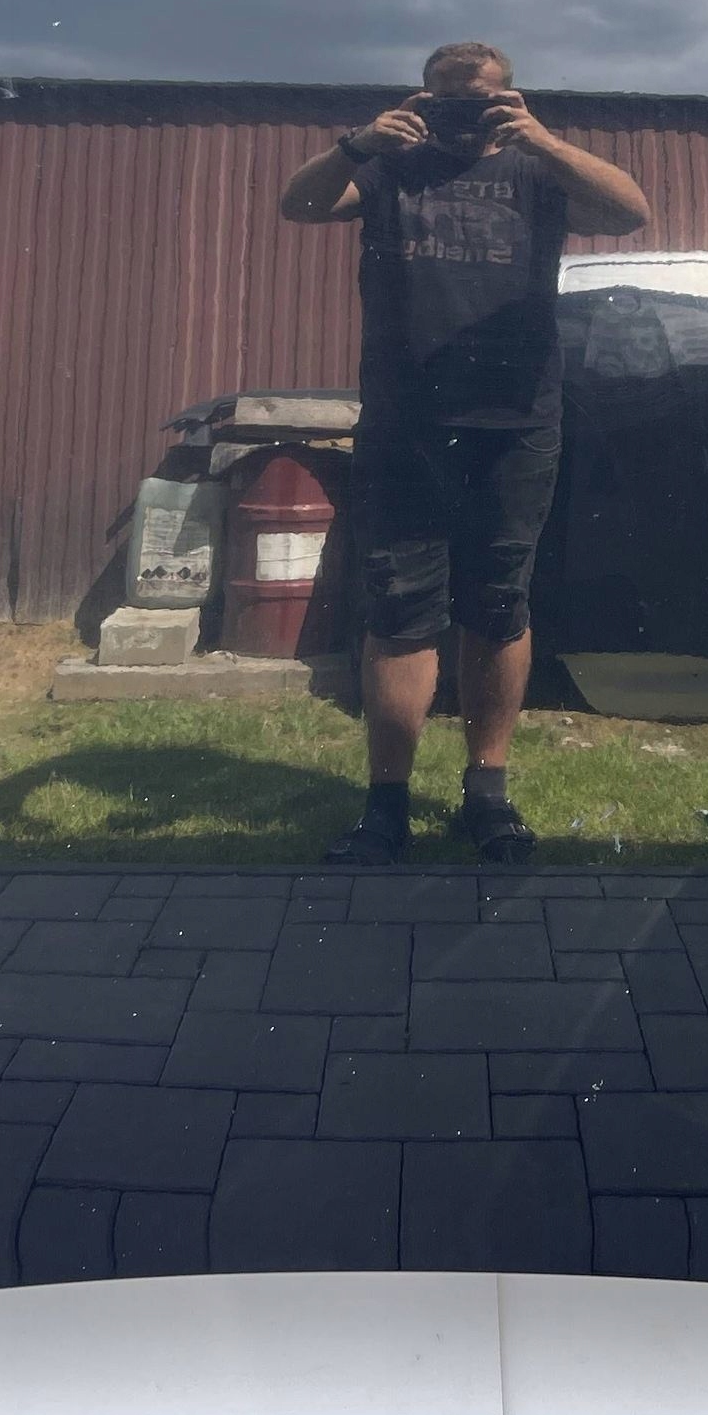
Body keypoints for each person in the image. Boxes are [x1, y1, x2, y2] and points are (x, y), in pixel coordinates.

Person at [279, 42, 650, 862]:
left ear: (509, 98)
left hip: (516, 423)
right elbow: (298, 204)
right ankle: (386, 806)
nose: (462, 113)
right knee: (399, 611)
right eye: (445, 98)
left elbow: (630, 210)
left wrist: (540, 138)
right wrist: (359, 141)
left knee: (499, 604)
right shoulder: (389, 167)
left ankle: (487, 796)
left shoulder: (539, 168)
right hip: (406, 425)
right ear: (420, 98)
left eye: (479, 99)